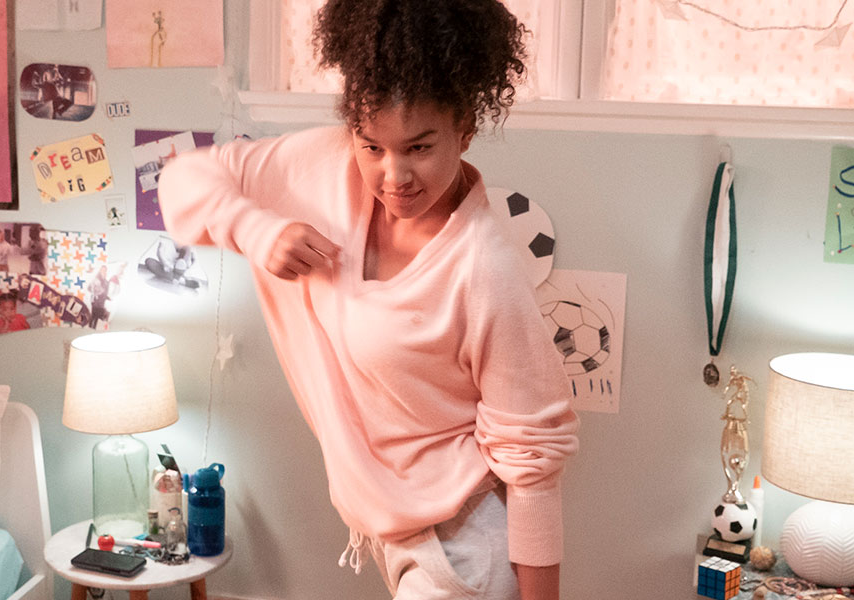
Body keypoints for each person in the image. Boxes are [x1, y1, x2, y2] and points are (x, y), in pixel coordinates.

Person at [158, 1, 578, 599]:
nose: (392, 176)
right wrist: (255, 229)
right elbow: (181, 179)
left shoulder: (484, 267)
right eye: (371, 146)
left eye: (420, 147)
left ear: (465, 127)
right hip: (394, 536)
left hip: (465, 551)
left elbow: (534, 462)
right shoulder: (326, 168)